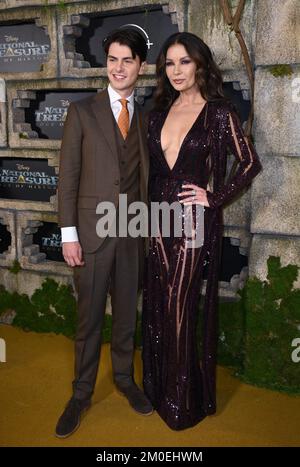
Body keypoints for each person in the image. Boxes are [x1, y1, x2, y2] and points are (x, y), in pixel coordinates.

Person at [142, 32, 262, 430]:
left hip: (193, 220)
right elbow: (152, 170)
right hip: (157, 216)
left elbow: (248, 163)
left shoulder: (219, 112)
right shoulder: (157, 112)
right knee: (159, 300)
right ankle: (160, 390)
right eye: (170, 64)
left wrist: (214, 197)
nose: (176, 71)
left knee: (178, 301)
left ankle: (182, 400)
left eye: (184, 62)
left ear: (200, 64)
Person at [55, 28, 153, 439]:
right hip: (91, 237)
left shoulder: (147, 117)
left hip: (132, 234)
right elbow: (69, 177)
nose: (118, 67)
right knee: (89, 321)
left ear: (140, 67)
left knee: (127, 316)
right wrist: (68, 235)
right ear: (106, 64)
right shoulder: (82, 112)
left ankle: (125, 380)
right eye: (112, 59)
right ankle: (80, 395)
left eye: (127, 60)